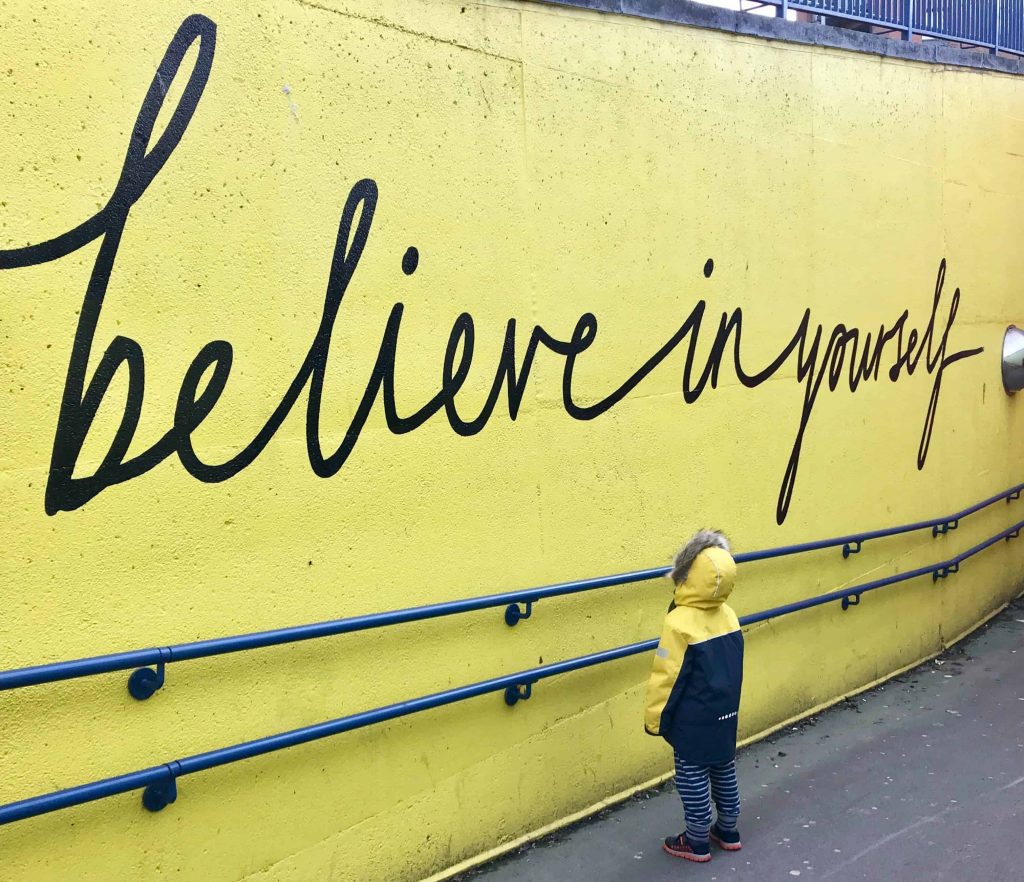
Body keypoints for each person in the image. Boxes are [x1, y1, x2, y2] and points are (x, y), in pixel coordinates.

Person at [644, 529, 744, 862]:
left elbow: (667, 676)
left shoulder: (678, 622)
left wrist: (655, 719)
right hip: (725, 713)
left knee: (692, 775)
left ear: (686, 575)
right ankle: (728, 828)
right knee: (723, 768)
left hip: (693, 719)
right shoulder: (729, 615)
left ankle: (697, 838)